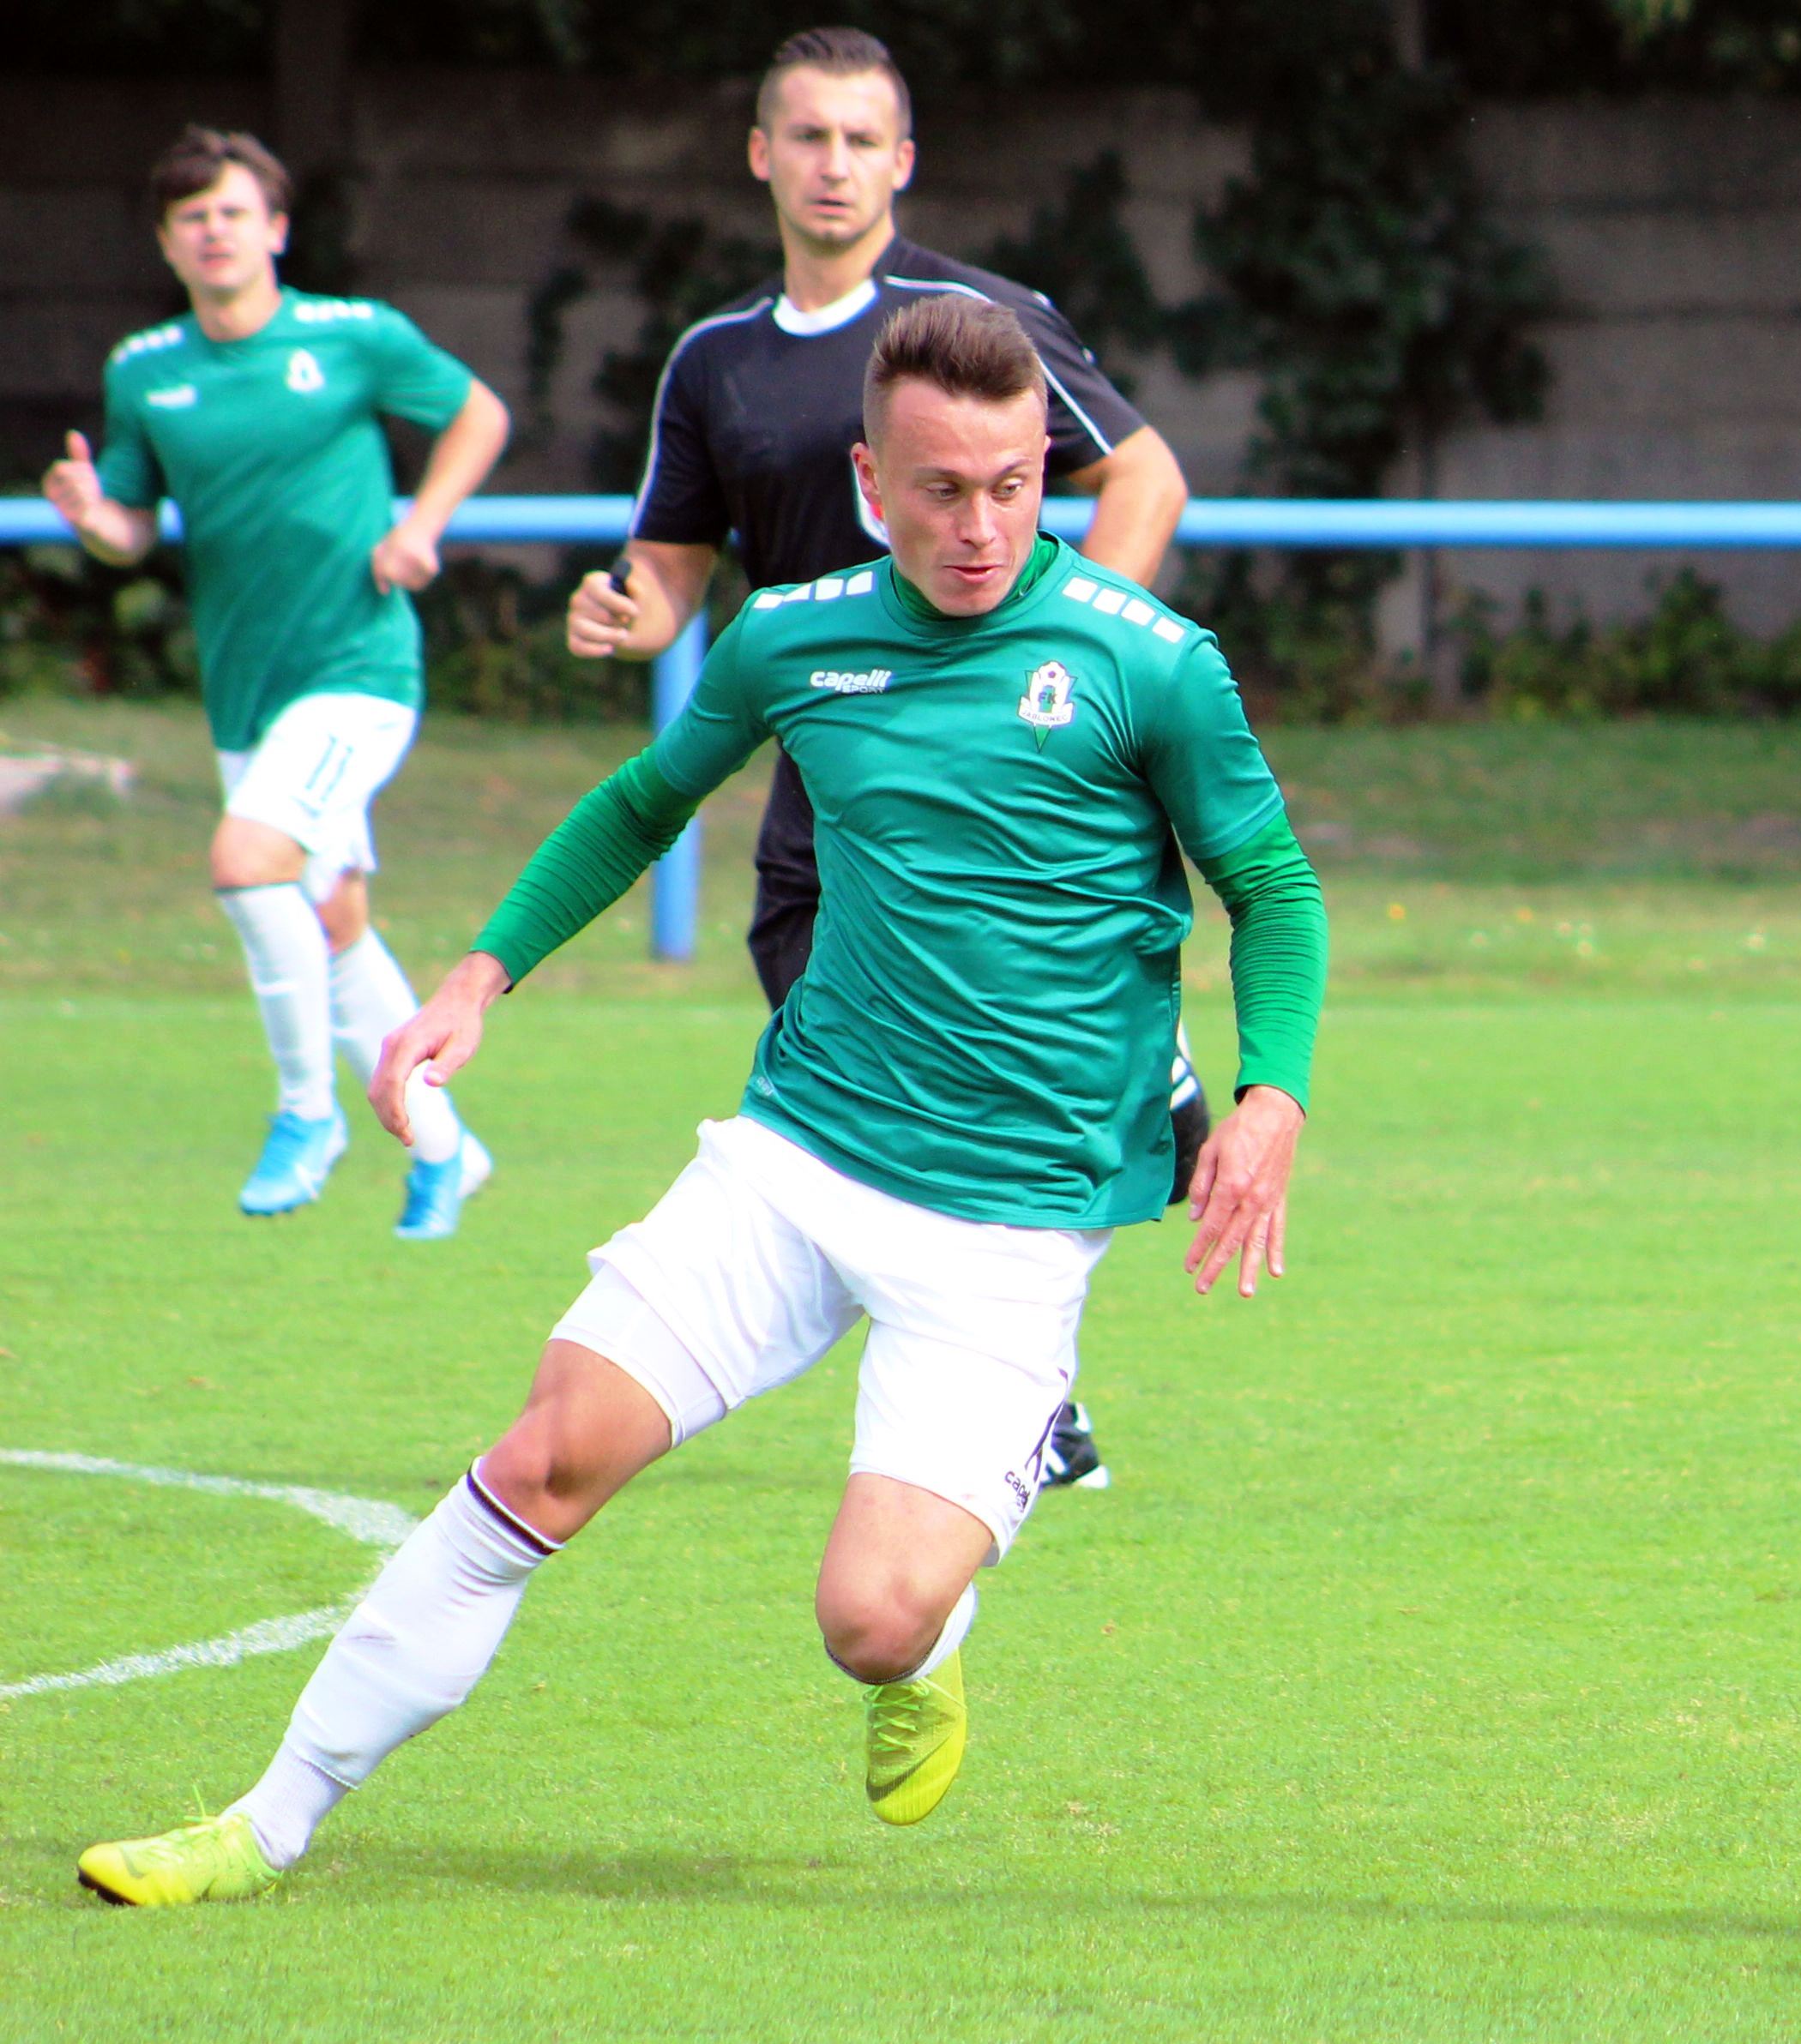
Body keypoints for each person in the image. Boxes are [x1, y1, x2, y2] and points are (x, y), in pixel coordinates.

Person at [77, 295, 1325, 1908]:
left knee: (867, 1620)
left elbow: (1273, 890)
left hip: (1013, 1223)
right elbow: (643, 803)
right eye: (941, 487)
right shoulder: (796, 638)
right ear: (871, 481)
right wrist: (477, 975)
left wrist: (1272, 1095)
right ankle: (268, 1818)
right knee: (544, 1455)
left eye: (1016, 484)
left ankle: (937, 1621)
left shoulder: (1146, 666)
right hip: (799, 1157)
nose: (982, 523)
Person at [566, 26, 1199, 1485]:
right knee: (828, 1031)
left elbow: (1145, 473)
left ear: (903, 160)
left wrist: (1083, 640)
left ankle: (1020, 1379)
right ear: (762, 155)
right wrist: (630, 609)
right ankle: (1016, 1380)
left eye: (863, 140)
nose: (834, 165)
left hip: (987, 768)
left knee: (957, 1044)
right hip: (823, 769)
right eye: (809, 137)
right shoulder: (713, 360)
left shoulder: (971, 324)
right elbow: (671, 568)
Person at [43, 126, 511, 1238]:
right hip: (246, 691)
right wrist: (89, 515)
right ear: (167, 243)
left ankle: (311, 1114)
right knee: (333, 917)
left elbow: (478, 412)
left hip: (358, 668)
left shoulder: (351, 337)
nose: (215, 231)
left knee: (249, 862)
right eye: (191, 217)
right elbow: (127, 524)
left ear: (277, 229)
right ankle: (448, 1150)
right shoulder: (145, 370)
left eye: (233, 211)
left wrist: (422, 528)